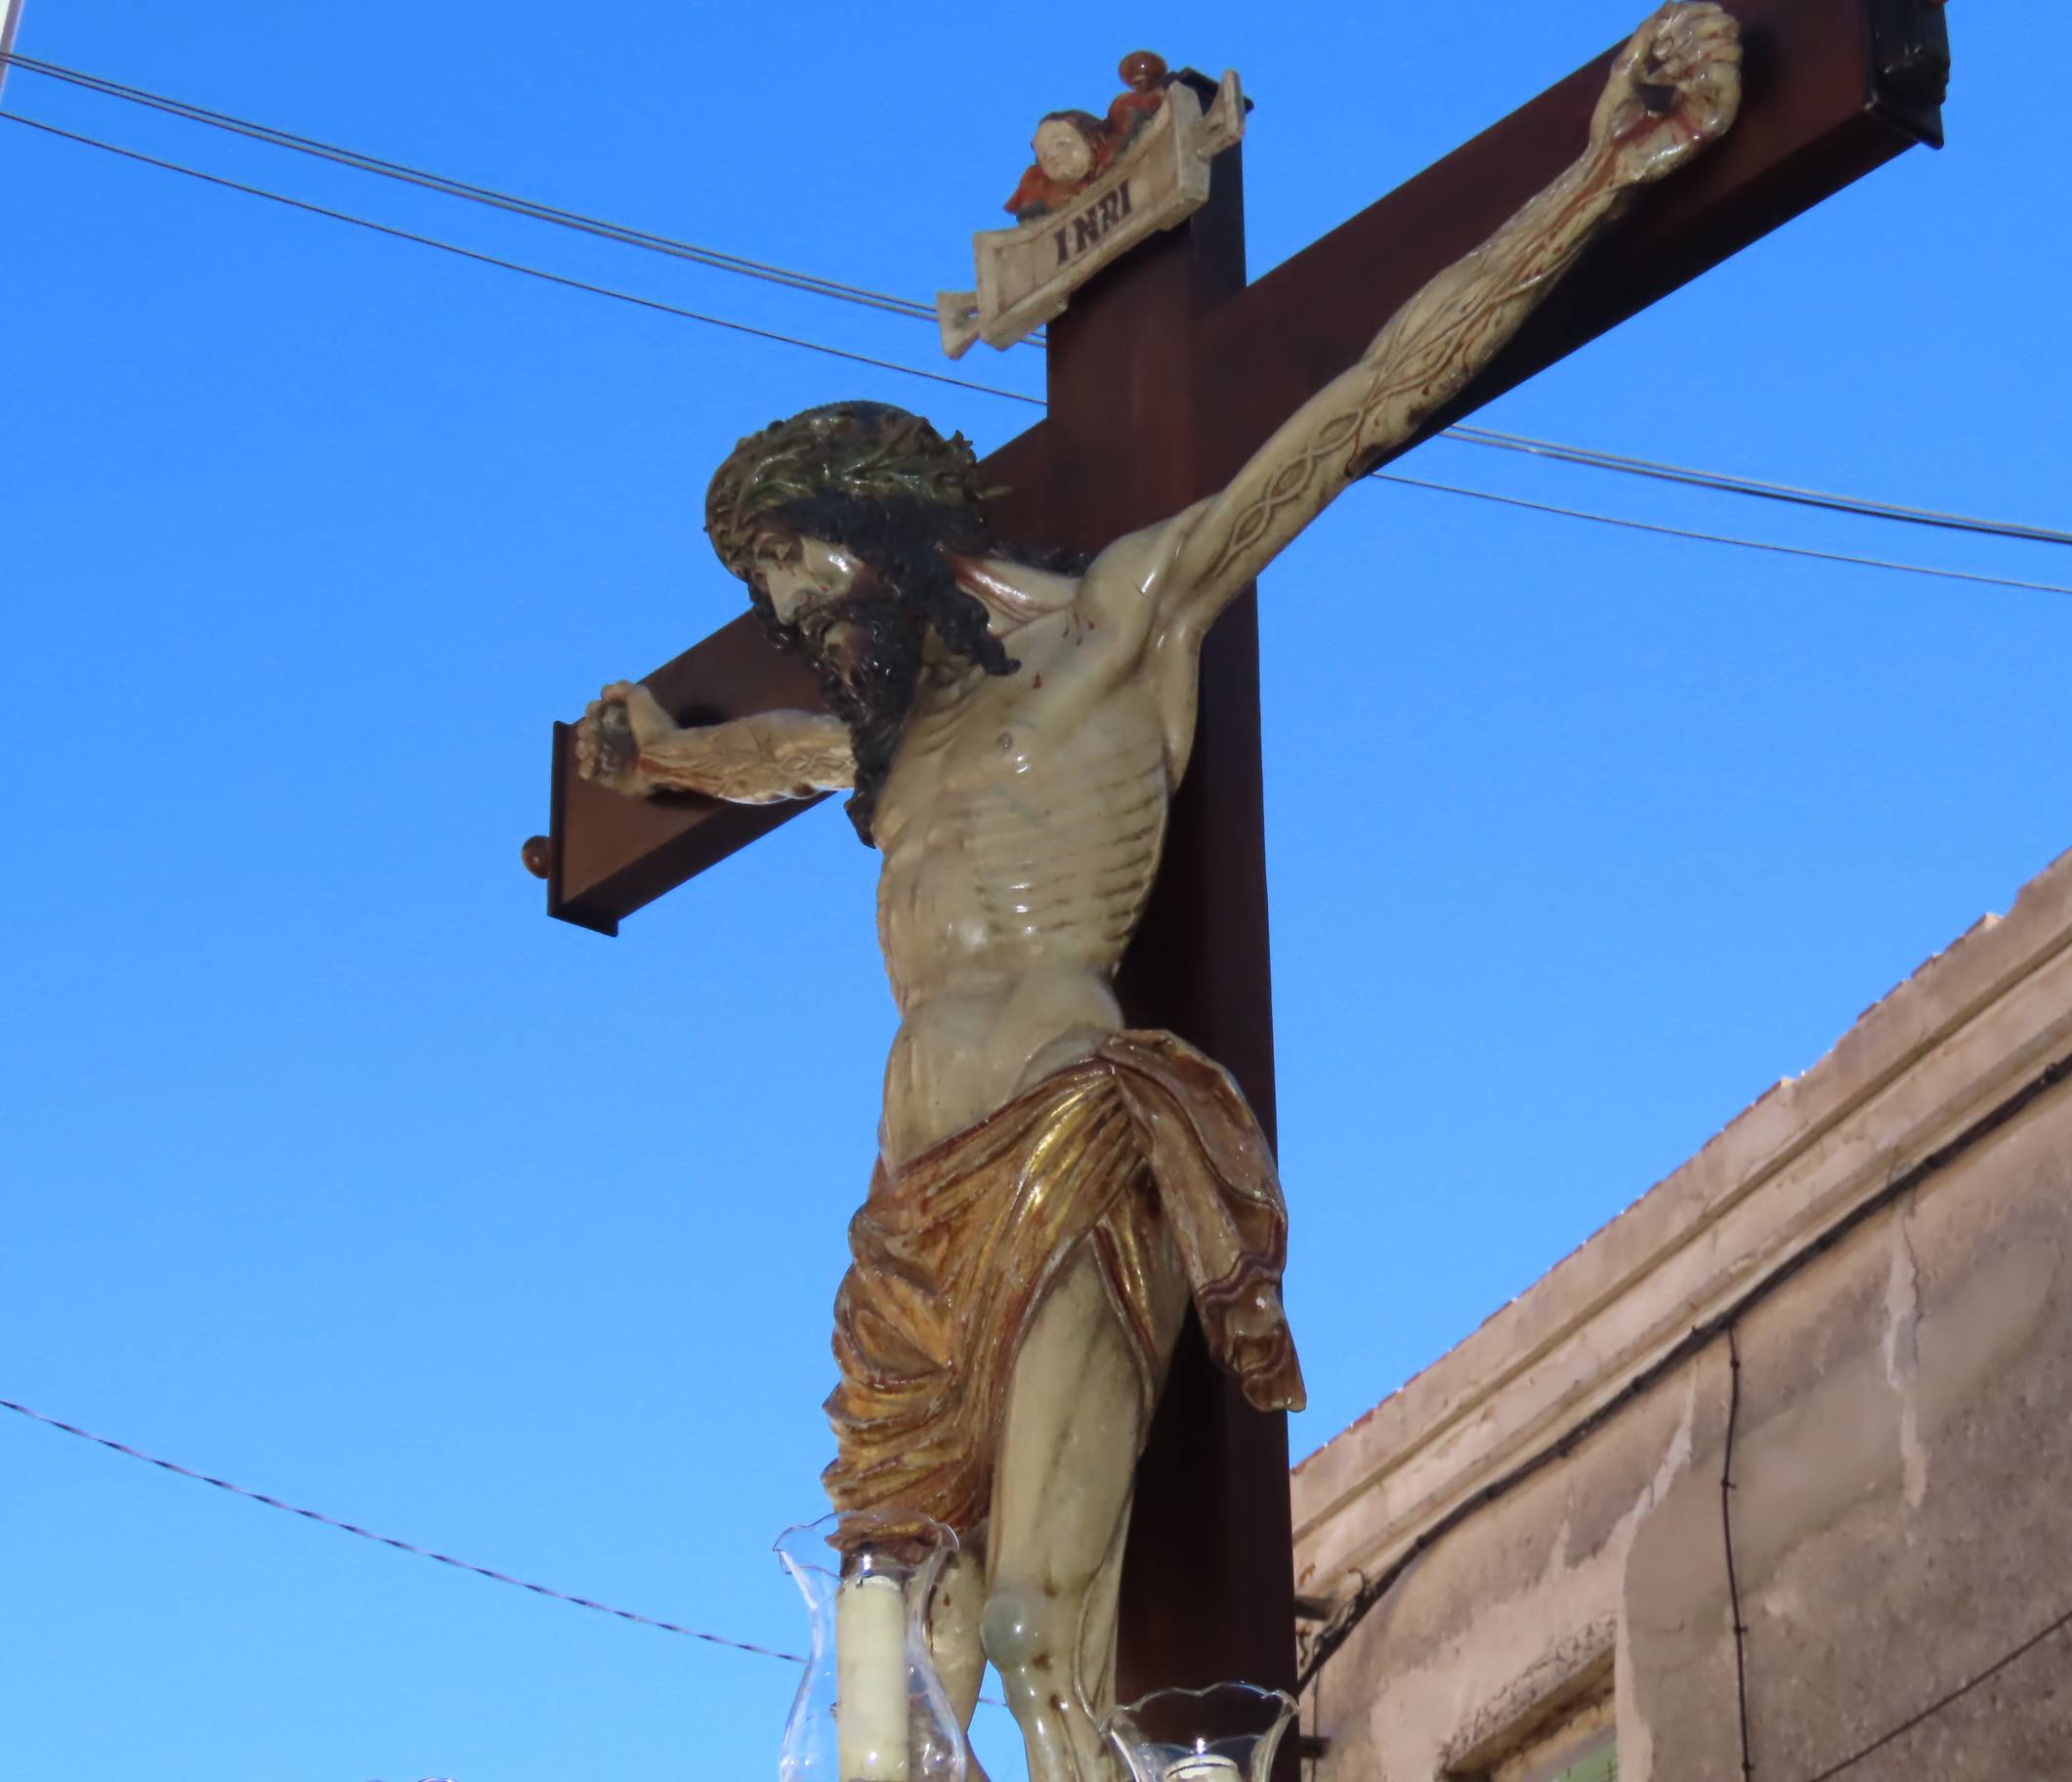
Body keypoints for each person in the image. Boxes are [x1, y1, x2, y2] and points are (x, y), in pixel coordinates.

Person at [577, 9, 1740, 1777]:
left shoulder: (1124, 625)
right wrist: (654, 756)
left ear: (890, 537)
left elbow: (1365, 402)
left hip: (1062, 1124)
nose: (803, 622)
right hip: (909, 1204)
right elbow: (760, 759)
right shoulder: (885, 749)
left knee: (1047, 1631)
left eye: (807, 576)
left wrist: (1599, 170)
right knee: (900, 1661)